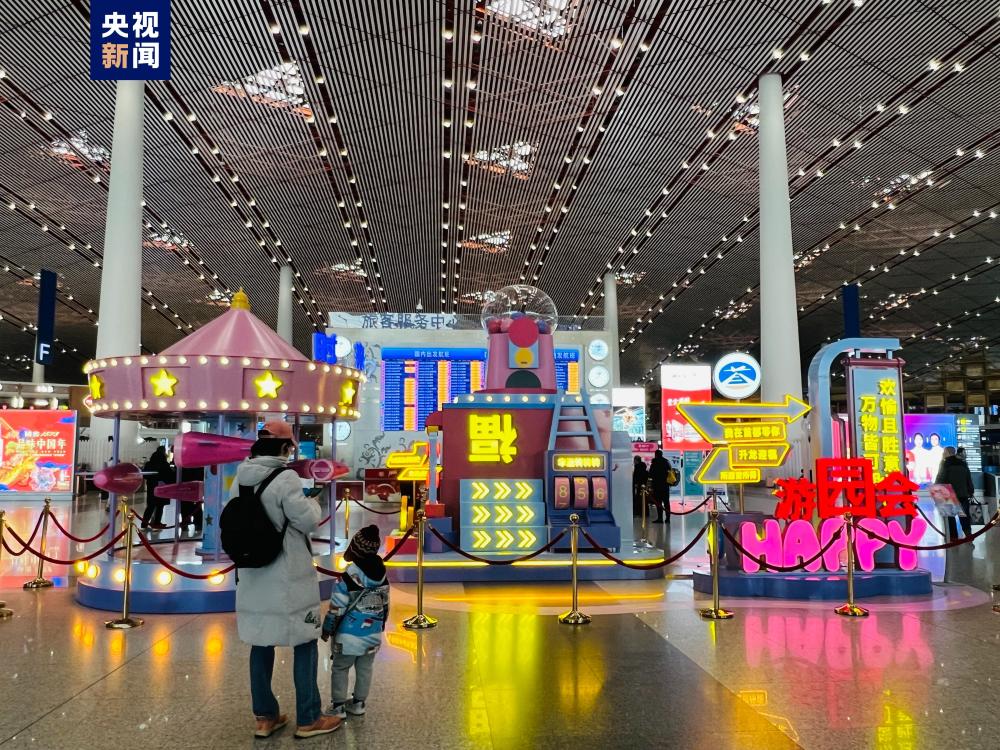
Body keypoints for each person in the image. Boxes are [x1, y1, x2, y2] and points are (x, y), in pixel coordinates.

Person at [234, 431, 341, 740]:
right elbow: (307, 521)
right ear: (284, 448)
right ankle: (309, 718)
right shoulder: (286, 478)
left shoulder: (240, 479)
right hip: (287, 574)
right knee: (305, 641)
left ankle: (264, 717)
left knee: (260, 642)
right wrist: (312, 503)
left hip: (253, 572)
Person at [322, 524, 389, 720]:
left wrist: (327, 629)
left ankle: (338, 706)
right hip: (373, 634)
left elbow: (336, 609)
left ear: (355, 549)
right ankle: (359, 703)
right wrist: (380, 626)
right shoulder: (383, 577)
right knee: (365, 668)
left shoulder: (347, 579)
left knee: (341, 668)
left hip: (348, 636)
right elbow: (386, 606)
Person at [936, 446, 974, 541]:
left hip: (949, 495)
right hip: (963, 494)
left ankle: (953, 538)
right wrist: (971, 491)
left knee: (950, 518)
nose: (943, 454)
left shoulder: (945, 463)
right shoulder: (963, 463)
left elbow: (941, 477)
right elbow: (968, 479)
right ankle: (968, 535)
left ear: (948, 453)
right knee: (964, 516)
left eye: (944, 452)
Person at [140, 446, 174, 530]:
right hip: (162, 488)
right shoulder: (164, 464)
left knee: (150, 506)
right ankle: (157, 523)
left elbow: (145, 475)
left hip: (151, 487)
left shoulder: (149, 463)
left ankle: (144, 524)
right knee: (160, 506)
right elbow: (170, 476)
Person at [648, 449, 671, 524]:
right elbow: (670, 472)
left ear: (656, 455)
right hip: (665, 485)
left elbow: (650, 474)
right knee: (666, 502)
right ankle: (668, 518)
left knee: (658, 502)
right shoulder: (666, 462)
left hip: (657, 486)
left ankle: (660, 518)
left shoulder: (654, 462)